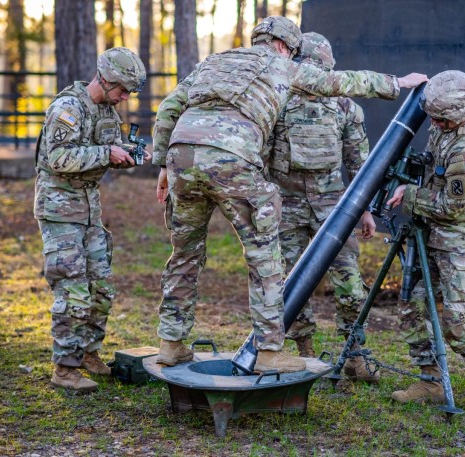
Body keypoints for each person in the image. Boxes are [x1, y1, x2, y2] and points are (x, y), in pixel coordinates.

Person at [152, 15, 428, 373]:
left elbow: (168, 108)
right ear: (285, 47)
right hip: (233, 156)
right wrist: (399, 82)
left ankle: (171, 343)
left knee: (185, 253)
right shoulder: (281, 66)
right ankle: (269, 351)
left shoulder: (214, 62)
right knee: (265, 258)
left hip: (182, 156)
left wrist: (162, 165)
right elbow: (338, 81)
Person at [387, 70, 465, 415]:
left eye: (441, 118)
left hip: (464, 234)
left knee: (456, 314)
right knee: (414, 305)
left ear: (458, 115)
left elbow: (451, 207)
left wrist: (410, 195)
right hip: (434, 228)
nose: (434, 123)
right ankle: (431, 380)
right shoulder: (446, 127)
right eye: (433, 116)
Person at [265, 32, 379, 383]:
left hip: (334, 205)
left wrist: (364, 209)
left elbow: (360, 162)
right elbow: (362, 165)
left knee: (342, 281)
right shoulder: (277, 100)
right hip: (292, 204)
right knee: (295, 284)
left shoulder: (343, 105)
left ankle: (352, 356)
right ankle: (306, 355)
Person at [34, 47, 148, 392]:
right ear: (106, 80)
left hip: (89, 211)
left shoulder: (106, 111)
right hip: (59, 211)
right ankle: (65, 368)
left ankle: (87, 353)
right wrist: (105, 154)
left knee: (101, 288)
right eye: (122, 90)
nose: (125, 98)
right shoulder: (67, 109)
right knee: (72, 291)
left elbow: (112, 147)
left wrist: (131, 155)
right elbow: (57, 158)